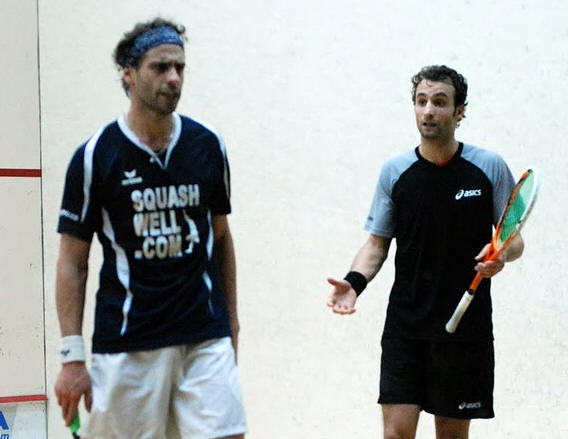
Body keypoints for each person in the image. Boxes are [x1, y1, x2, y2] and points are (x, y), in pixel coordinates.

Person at [54, 17, 247, 439]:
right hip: (128, 342)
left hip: (204, 335)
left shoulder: (207, 145)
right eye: (160, 67)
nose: (173, 78)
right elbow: (72, 260)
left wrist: (231, 324)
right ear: (129, 73)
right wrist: (72, 356)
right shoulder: (95, 156)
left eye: (180, 68)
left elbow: (220, 238)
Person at [327, 65, 524, 439]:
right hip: (406, 327)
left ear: (460, 111)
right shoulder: (395, 172)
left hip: (464, 327)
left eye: (439, 102)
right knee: (395, 435)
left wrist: (500, 254)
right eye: (421, 101)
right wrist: (354, 283)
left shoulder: (489, 167)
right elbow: (376, 244)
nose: (428, 110)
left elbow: (513, 239)